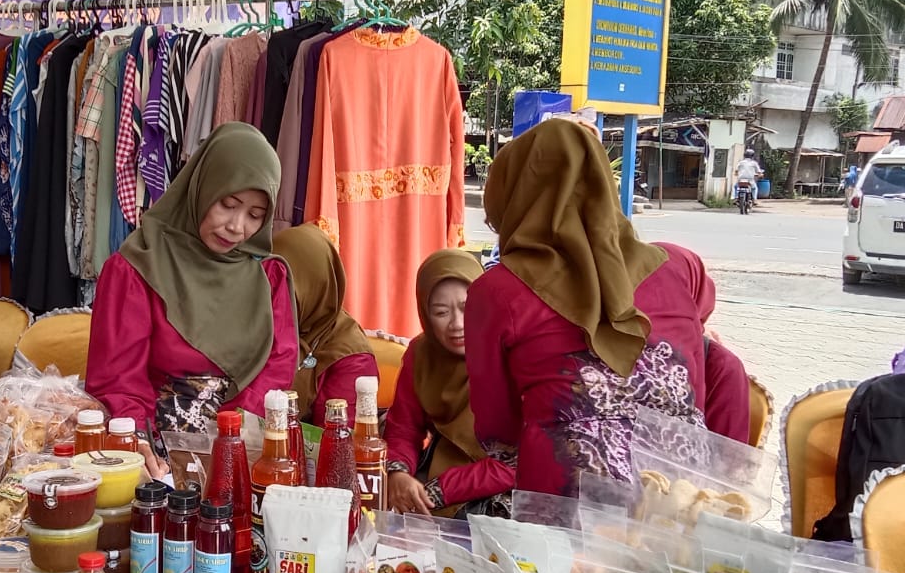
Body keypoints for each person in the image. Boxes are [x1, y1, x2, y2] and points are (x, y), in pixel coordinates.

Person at [467, 117, 720, 497]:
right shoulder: (676, 267)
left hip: (567, 508)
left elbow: (498, 429)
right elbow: (695, 374)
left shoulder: (497, 292)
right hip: (681, 499)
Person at [86, 123, 297, 454]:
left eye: (255, 215)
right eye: (227, 203)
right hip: (154, 452)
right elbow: (118, 382)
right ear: (202, 185)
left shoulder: (268, 277)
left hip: (241, 449)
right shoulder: (138, 268)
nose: (237, 227)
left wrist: (232, 441)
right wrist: (138, 444)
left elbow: (276, 369)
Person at [386, 249, 515, 516]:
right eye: (441, 312)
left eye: (467, 308)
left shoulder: (510, 355)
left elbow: (516, 462)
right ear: (425, 314)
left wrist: (438, 490)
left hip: (504, 486)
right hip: (442, 466)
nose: (456, 324)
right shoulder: (422, 355)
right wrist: (397, 472)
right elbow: (403, 428)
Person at [271, 225, 377, 426]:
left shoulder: (351, 357)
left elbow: (336, 441)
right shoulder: (260, 321)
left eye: (288, 291)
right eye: (270, 283)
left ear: (316, 289)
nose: (275, 299)